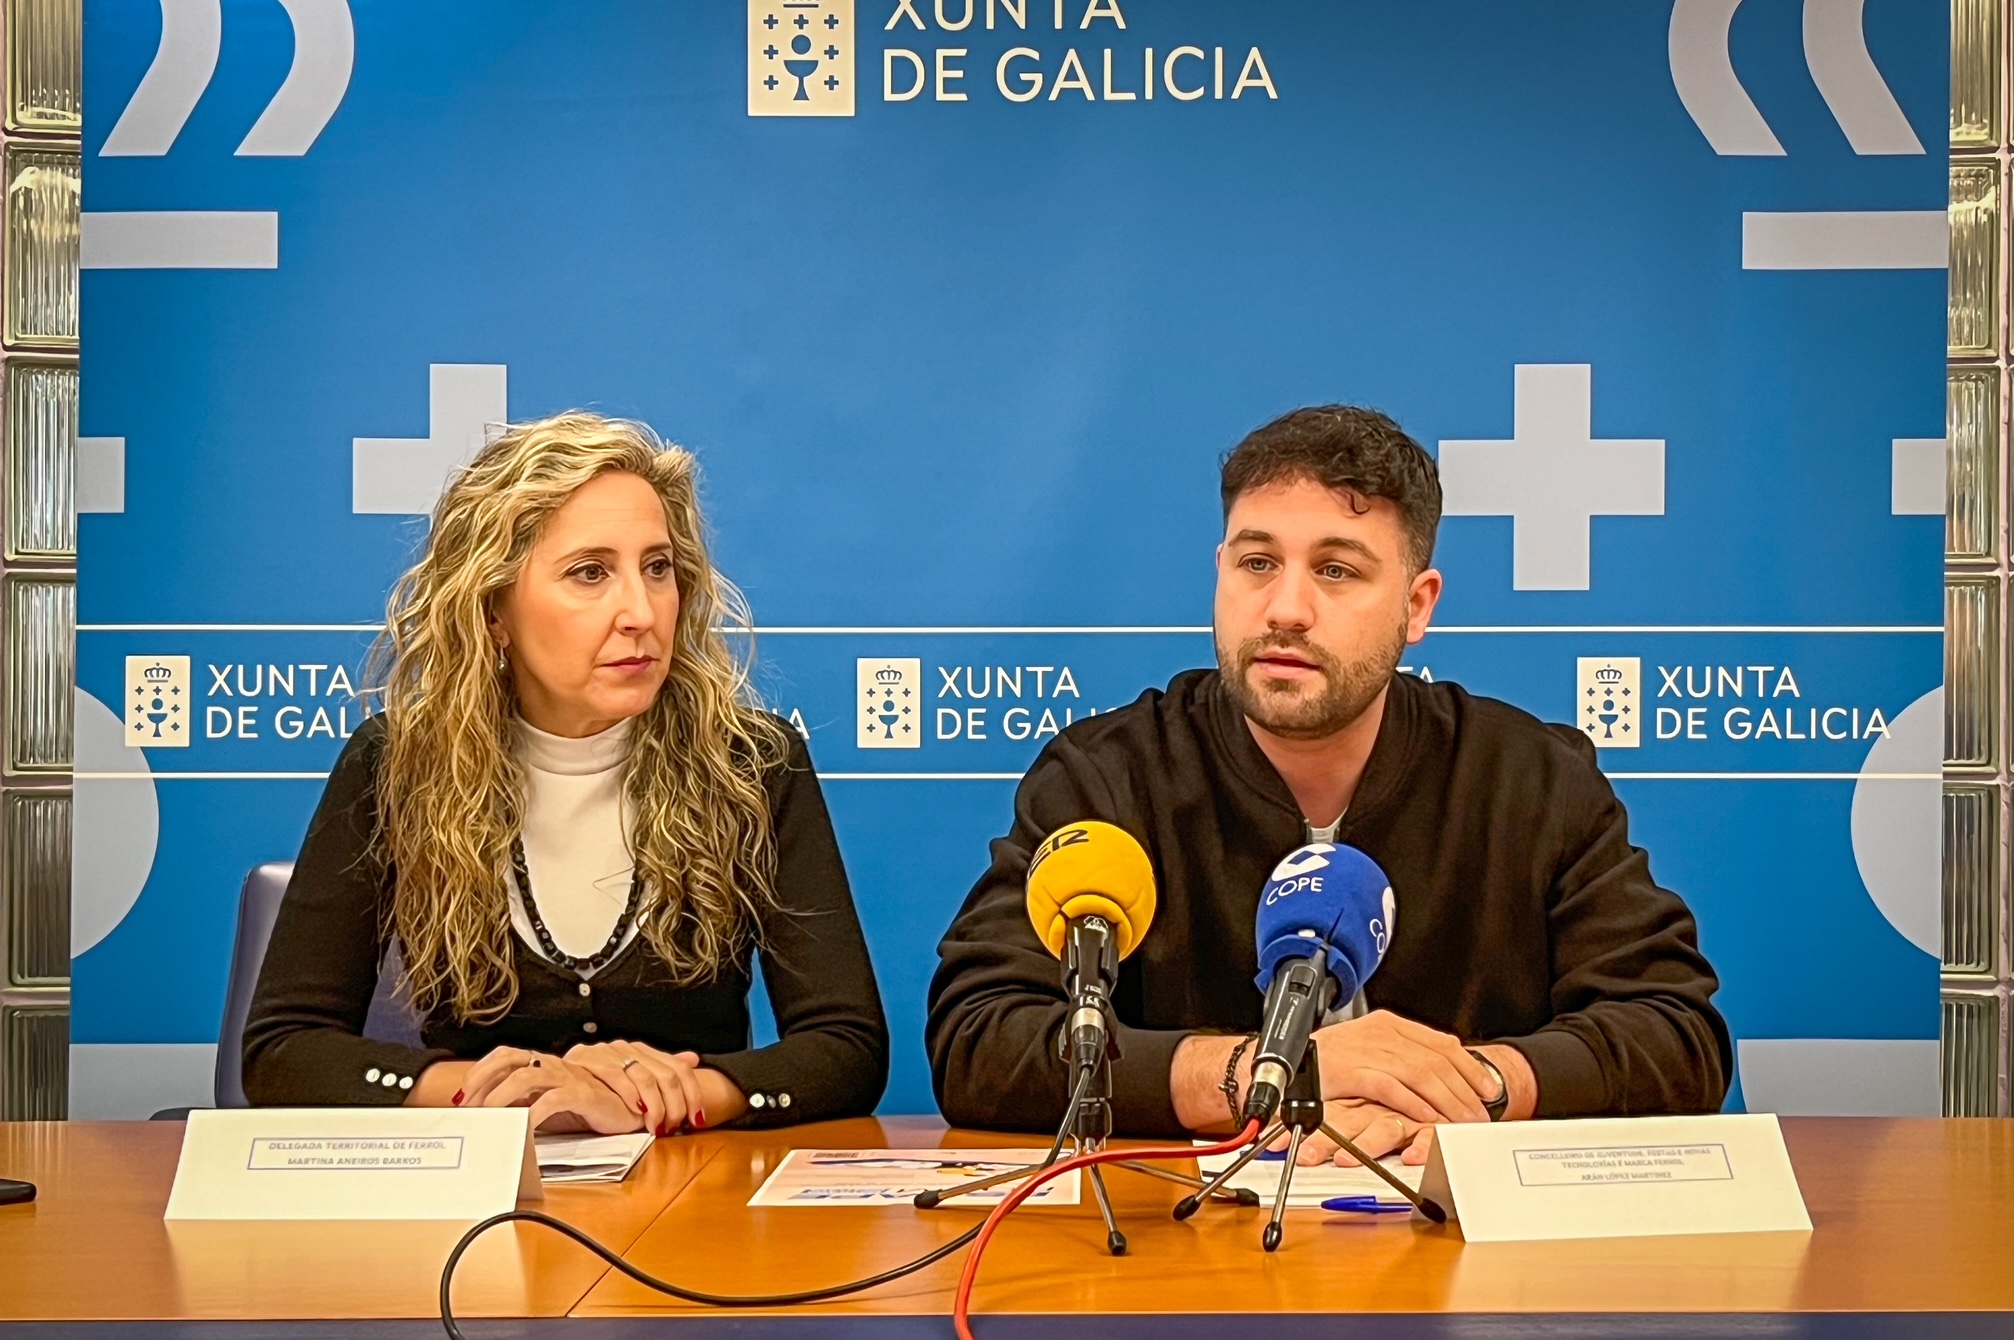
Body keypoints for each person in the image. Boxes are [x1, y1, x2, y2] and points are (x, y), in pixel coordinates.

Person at [928, 406, 1728, 1166]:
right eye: (1257, 563)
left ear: (1417, 605)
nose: (1286, 609)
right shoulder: (1108, 775)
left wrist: (1471, 1088)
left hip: (1452, 1236)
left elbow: (1676, 1032)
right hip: (1193, 1240)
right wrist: (1260, 1074)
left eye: (1337, 570)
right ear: (1220, 573)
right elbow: (979, 1039)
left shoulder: (1532, 779)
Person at [243, 413, 888, 1133]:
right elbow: (283, 1052)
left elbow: (846, 1047)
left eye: (658, 568)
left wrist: (666, 1097)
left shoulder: (751, 762)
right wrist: (501, 1088)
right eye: (590, 573)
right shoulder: (397, 763)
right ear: (494, 610)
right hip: (477, 1183)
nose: (640, 612)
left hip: (688, 1182)